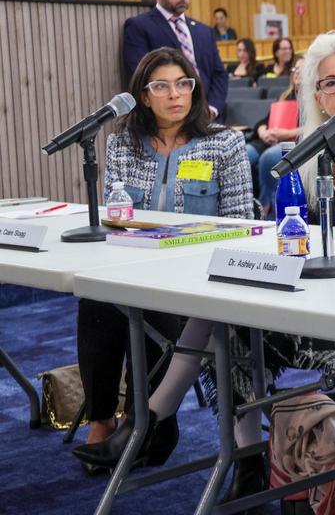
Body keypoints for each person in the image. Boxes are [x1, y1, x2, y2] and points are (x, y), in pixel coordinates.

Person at [75, 34, 335, 499]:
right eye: (331, 83)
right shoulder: (315, 154)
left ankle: (162, 424)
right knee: (225, 316)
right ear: (317, 97)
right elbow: (299, 237)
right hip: (316, 295)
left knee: (219, 311)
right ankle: (238, 458)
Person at [74, 47, 253, 456]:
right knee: (95, 299)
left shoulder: (223, 144)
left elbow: (243, 226)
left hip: (196, 278)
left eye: (183, 84)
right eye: (161, 86)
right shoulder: (123, 144)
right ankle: (101, 418)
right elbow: (116, 217)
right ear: (143, 96)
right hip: (137, 267)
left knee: (151, 308)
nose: (175, 94)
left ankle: (146, 425)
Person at [123, 0, 228, 119]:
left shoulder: (204, 31)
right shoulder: (139, 26)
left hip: (208, 116)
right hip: (167, 118)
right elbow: (140, 75)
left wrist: (212, 108)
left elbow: (219, 74)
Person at [249, 64, 303, 210]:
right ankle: (245, 201)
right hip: (268, 139)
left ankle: (265, 205)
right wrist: (263, 132)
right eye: (295, 69)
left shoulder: (315, 98)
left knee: (269, 157)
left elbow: (313, 127)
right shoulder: (284, 96)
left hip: (294, 142)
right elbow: (263, 121)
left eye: (302, 68)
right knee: (244, 153)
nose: (297, 72)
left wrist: (285, 134)